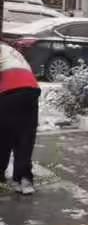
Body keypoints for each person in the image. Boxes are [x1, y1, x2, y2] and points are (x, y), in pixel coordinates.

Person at [0, 40, 40, 195]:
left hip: (10, 91)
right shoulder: (9, 50)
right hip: (31, 90)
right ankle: (24, 180)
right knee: (25, 136)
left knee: (4, 135)